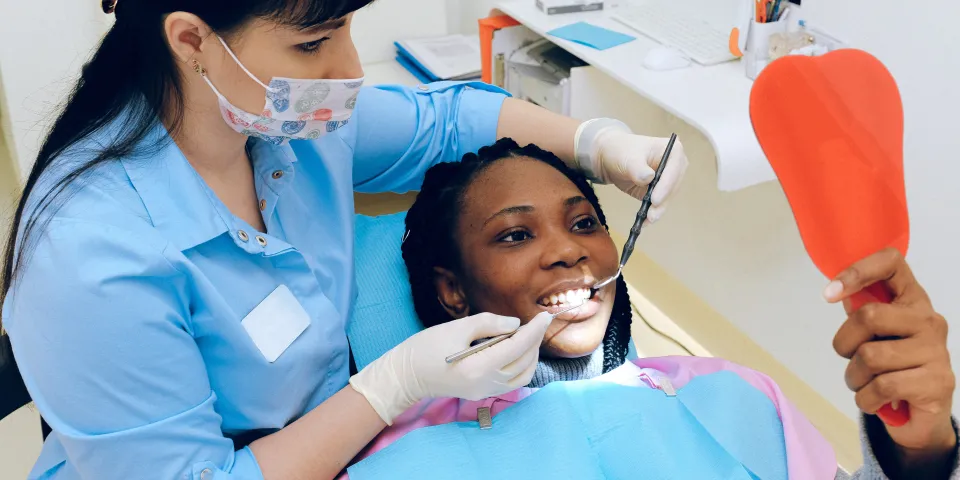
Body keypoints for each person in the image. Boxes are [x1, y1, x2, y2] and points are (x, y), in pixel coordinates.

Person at [0, 1, 690, 479]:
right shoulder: (88, 256)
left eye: (347, 29)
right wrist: (390, 388)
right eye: (311, 45)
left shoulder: (293, 125)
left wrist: (597, 144)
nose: (348, 69)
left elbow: (446, 123)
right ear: (191, 40)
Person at [391, 138, 959, 479]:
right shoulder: (407, 455)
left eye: (584, 223)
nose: (568, 250)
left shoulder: (733, 396)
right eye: (516, 235)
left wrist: (922, 450)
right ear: (452, 291)